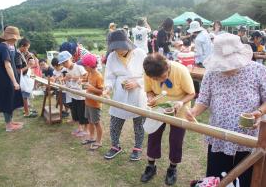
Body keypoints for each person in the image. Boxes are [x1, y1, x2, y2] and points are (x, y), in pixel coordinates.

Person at [186, 33, 266, 187]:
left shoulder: (258, 70)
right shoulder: (211, 73)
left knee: (244, 179)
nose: (227, 68)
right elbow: (203, 100)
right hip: (219, 136)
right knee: (217, 179)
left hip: (248, 137)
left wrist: (260, 112)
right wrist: (194, 111)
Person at [140, 54, 195, 186]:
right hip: (159, 107)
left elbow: (191, 93)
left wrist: (181, 103)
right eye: (155, 79)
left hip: (179, 107)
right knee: (153, 135)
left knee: (176, 139)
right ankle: (151, 166)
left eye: (162, 77)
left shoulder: (181, 70)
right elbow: (149, 91)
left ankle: (172, 168)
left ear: (168, 68)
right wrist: (150, 97)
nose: (159, 80)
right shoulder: (149, 73)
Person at [103, 29, 146, 161]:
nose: (117, 51)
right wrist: (107, 88)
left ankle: (137, 148)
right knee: (115, 121)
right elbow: (109, 76)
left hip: (138, 93)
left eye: (119, 47)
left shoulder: (140, 53)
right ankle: (115, 146)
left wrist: (137, 83)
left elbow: (149, 74)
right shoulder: (112, 56)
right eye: (114, 48)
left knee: (139, 122)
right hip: (120, 94)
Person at [0, 26, 24, 132]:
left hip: (8, 79)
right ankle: (8, 126)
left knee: (11, 99)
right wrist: (15, 82)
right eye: (15, 38)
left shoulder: (7, 46)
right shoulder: (3, 47)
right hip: (5, 80)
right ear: (9, 37)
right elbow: (7, 66)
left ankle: (10, 121)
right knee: (7, 100)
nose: (16, 40)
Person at [58, 51, 89, 137]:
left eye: (66, 62)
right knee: (76, 113)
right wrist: (65, 79)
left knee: (83, 113)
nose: (65, 64)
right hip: (73, 94)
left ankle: (86, 130)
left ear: (71, 59)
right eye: (63, 63)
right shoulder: (66, 70)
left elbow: (86, 77)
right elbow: (68, 79)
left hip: (82, 95)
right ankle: (80, 128)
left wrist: (73, 78)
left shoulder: (79, 67)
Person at [80, 54, 104, 150]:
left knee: (96, 123)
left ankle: (99, 141)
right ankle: (91, 137)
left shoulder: (98, 76)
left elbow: (101, 92)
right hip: (88, 102)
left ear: (89, 66)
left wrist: (91, 88)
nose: (84, 68)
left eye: (84, 66)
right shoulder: (90, 73)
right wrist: (81, 81)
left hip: (95, 104)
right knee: (90, 121)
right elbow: (85, 81)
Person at [15, 38, 38, 118]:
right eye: (27, 47)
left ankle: (27, 110)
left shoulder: (21, 53)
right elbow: (18, 70)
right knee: (25, 96)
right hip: (22, 78)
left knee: (26, 95)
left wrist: (29, 55)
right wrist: (28, 66)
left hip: (25, 76)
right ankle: (27, 112)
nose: (27, 50)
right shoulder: (17, 55)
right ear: (22, 46)